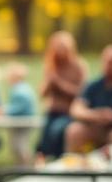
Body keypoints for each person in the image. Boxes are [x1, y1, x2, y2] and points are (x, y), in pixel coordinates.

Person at [35, 31, 87, 161]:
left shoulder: (78, 66)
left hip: (70, 112)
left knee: (57, 131)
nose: (59, 53)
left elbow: (82, 93)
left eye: (62, 48)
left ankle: (60, 159)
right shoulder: (51, 65)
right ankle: (45, 161)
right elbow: (42, 94)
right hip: (52, 111)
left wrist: (60, 85)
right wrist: (49, 83)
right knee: (43, 140)